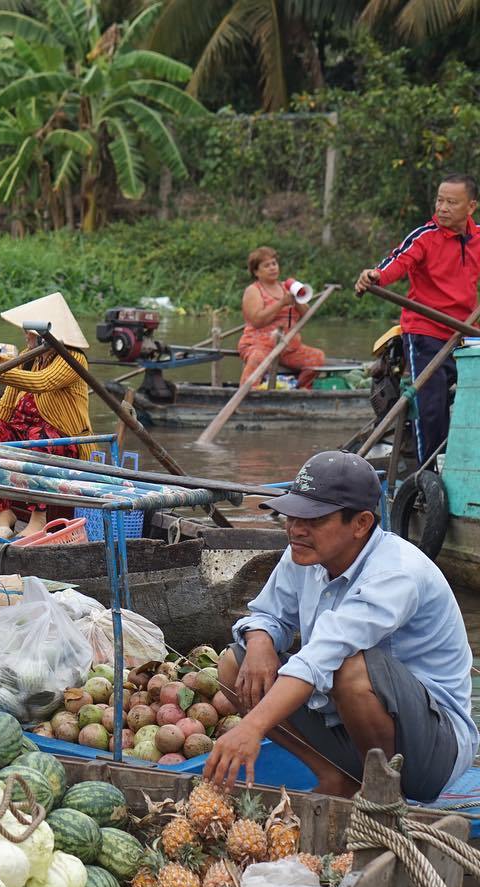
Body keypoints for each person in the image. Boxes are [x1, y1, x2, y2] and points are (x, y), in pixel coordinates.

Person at [203, 451, 477, 802]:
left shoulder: (397, 572)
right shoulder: (304, 552)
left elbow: (324, 653)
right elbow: (267, 616)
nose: (296, 529)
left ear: (361, 524)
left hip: (432, 750)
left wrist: (252, 726)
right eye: (292, 516)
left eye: (314, 519)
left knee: (349, 668)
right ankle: (337, 777)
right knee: (234, 664)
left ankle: (382, 794)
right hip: (348, 726)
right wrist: (259, 642)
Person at [355, 174, 480, 466]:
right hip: (427, 330)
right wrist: (375, 276)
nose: (443, 207)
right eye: (440, 200)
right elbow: (397, 262)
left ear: (471, 206)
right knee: (432, 405)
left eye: (452, 202)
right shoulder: (424, 236)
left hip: (466, 332)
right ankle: (430, 472)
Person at [0, 292, 94, 539]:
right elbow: (9, 401)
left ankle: (37, 519)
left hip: (62, 440)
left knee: (38, 437)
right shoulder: (28, 357)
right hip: (24, 433)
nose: (26, 335)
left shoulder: (73, 357)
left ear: (46, 332)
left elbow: (43, 381)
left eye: (30, 331)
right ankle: (3, 515)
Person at [239, 247, 325, 388]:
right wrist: (281, 303)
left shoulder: (287, 287)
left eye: (274, 264)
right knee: (258, 358)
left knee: (317, 358)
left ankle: (297, 388)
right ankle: (249, 392)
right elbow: (257, 321)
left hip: (288, 347)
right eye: (266, 266)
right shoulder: (253, 290)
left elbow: (306, 315)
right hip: (259, 345)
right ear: (256, 272)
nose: (272, 268)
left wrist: (298, 299)